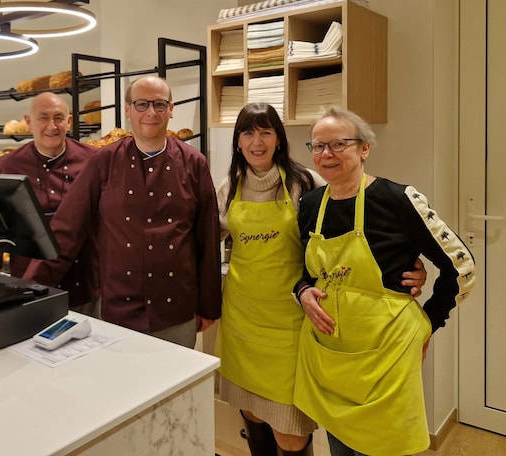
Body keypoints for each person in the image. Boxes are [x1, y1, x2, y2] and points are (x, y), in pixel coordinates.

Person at [214, 103, 427, 456]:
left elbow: (345, 242)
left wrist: (406, 266)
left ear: (279, 139)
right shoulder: (229, 187)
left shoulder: (305, 183)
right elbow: (206, 241)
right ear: (238, 141)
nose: (257, 141)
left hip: (291, 322)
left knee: (291, 431)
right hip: (241, 319)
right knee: (252, 414)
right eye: (248, 133)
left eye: (266, 132)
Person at [293, 106, 475, 456]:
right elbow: (307, 272)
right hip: (329, 355)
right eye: (317, 146)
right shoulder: (311, 205)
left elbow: (461, 267)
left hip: (387, 357)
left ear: (365, 148)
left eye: (338, 144)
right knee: (340, 446)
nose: (326, 154)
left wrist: (429, 322)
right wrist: (302, 291)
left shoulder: (399, 200)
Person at [24, 74, 221, 348]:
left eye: (159, 104)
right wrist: (26, 291)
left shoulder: (194, 163)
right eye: (141, 104)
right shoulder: (103, 162)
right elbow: (65, 230)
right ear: (127, 109)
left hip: (176, 311)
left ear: (171, 109)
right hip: (118, 312)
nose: (151, 113)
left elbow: (207, 240)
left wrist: (209, 306)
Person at [0, 92, 99, 314]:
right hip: (28, 279)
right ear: (28, 122)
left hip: (83, 277)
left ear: (69, 122)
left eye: (58, 118)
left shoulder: (93, 159)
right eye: (43, 117)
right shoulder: (9, 165)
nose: (52, 126)